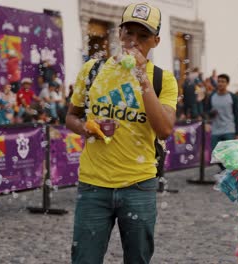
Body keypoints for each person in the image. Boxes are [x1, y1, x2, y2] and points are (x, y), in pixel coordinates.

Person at [65, 3, 177, 263]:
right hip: (93, 185)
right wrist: (85, 128)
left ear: (156, 41)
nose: (134, 41)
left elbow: (164, 129)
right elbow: (71, 115)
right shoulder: (93, 69)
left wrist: (142, 77)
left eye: (143, 36)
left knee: (137, 259)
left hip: (139, 186)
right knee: (84, 259)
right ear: (119, 33)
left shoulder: (163, 79)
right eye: (129, 33)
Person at [205, 73, 238, 153]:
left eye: (223, 81)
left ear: (227, 83)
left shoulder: (232, 97)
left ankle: (226, 166)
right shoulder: (212, 96)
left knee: (229, 155)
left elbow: (237, 116)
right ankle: (223, 166)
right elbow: (206, 111)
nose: (220, 83)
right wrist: (211, 114)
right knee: (216, 155)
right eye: (218, 81)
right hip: (215, 130)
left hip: (229, 130)